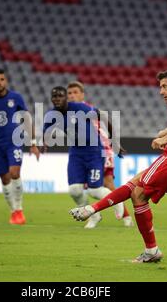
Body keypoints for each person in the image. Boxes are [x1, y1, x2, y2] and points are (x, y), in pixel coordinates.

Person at [70, 70, 167, 262]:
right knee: (136, 185)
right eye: (160, 87)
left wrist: (166, 137)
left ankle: (151, 250)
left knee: (137, 193)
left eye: (165, 86)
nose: (160, 91)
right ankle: (92, 210)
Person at [43, 86, 127, 229]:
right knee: (74, 190)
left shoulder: (80, 108)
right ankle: (93, 215)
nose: (57, 99)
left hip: (93, 151)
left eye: (60, 96)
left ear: (65, 98)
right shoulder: (51, 114)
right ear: (51, 99)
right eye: (54, 96)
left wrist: (114, 141)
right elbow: (46, 131)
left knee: (94, 190)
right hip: (76, 153)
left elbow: (103, 116)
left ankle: (117, 201)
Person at [0, 69, 40, 225]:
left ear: (6, 81)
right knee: (4, 179)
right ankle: (13, 212)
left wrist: (33, 143)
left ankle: (19, 209)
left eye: (2, 79)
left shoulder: (15, 98)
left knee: (14, 172)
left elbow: (27, 119)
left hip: (15, 141)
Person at [67, 81, 133, 227]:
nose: (72, 96)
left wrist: (114, 142)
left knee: (107, 184)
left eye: (75, 92)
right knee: (87, 187)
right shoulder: (67, 112)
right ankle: (95, 214)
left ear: (82, 94)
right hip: (82, 153)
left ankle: (126, 216)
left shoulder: (87, 108)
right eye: (69, 93)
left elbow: (105, 119)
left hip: (101, 149)